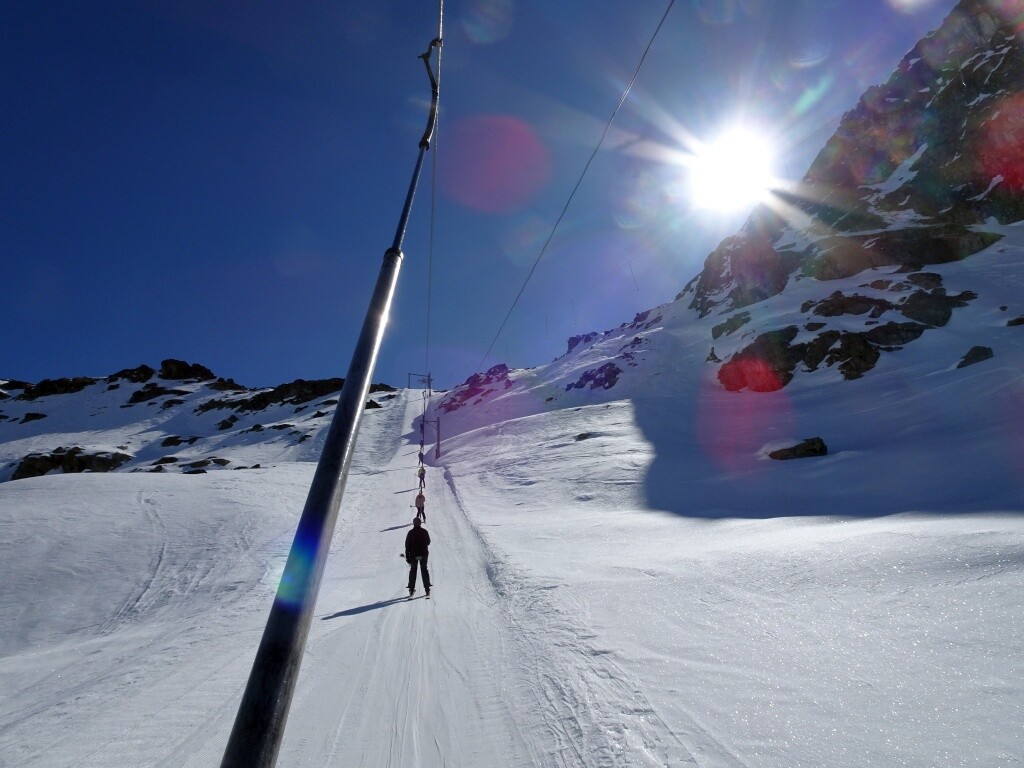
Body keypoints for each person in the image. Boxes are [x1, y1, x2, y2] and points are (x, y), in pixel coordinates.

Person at [404, 517, 431, 597]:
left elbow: (407, 545)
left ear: (413, 523)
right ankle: (427, 589)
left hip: (413, 555)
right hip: (423, 554)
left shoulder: (410, 533)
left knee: (413, 570)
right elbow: (428, 542)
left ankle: (411, 589)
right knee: (424, 570)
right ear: (420, 523)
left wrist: (407, 556)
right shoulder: (424, 532)